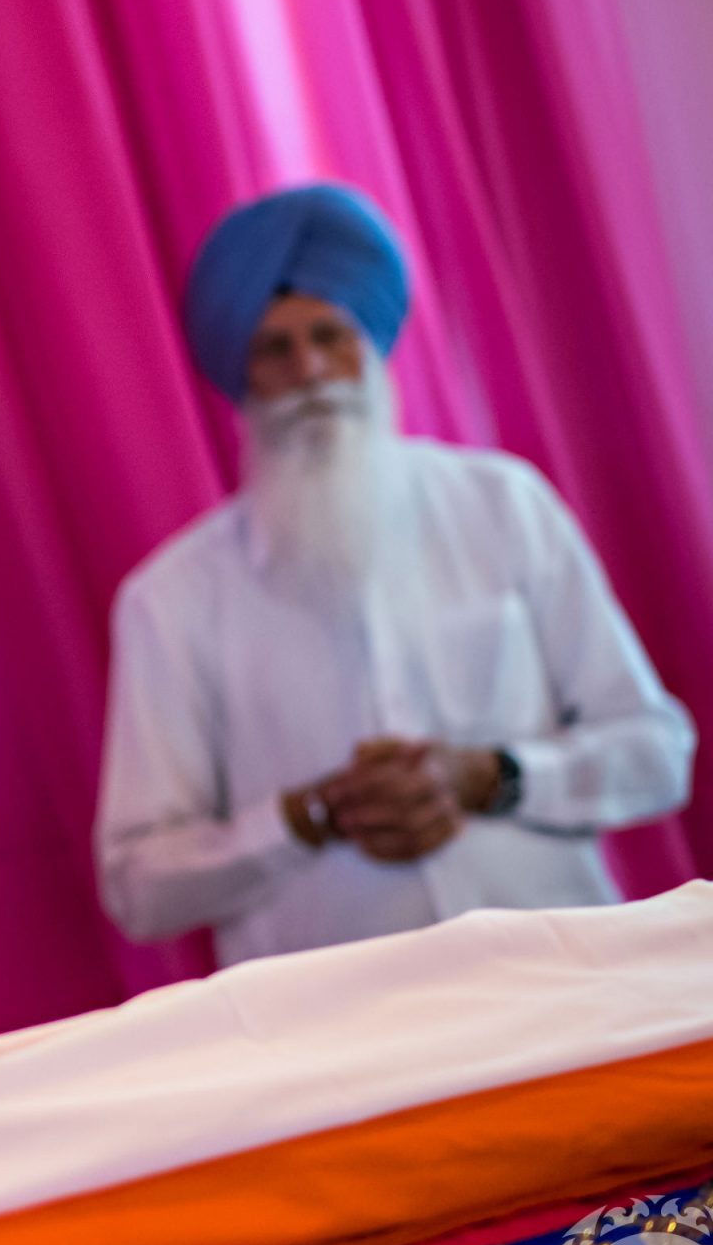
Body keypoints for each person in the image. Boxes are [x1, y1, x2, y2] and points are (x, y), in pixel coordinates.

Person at [96, 183, 694, 967]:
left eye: (330, 334)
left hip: (570, 983)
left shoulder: (506, 507)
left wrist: (494, 774)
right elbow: (139, 885)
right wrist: (308, 817)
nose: (310, 369)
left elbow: (657, 753)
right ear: (242, 380)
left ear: (372, 346)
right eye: (275, 348)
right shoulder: (171, 601)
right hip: (341, 1041)